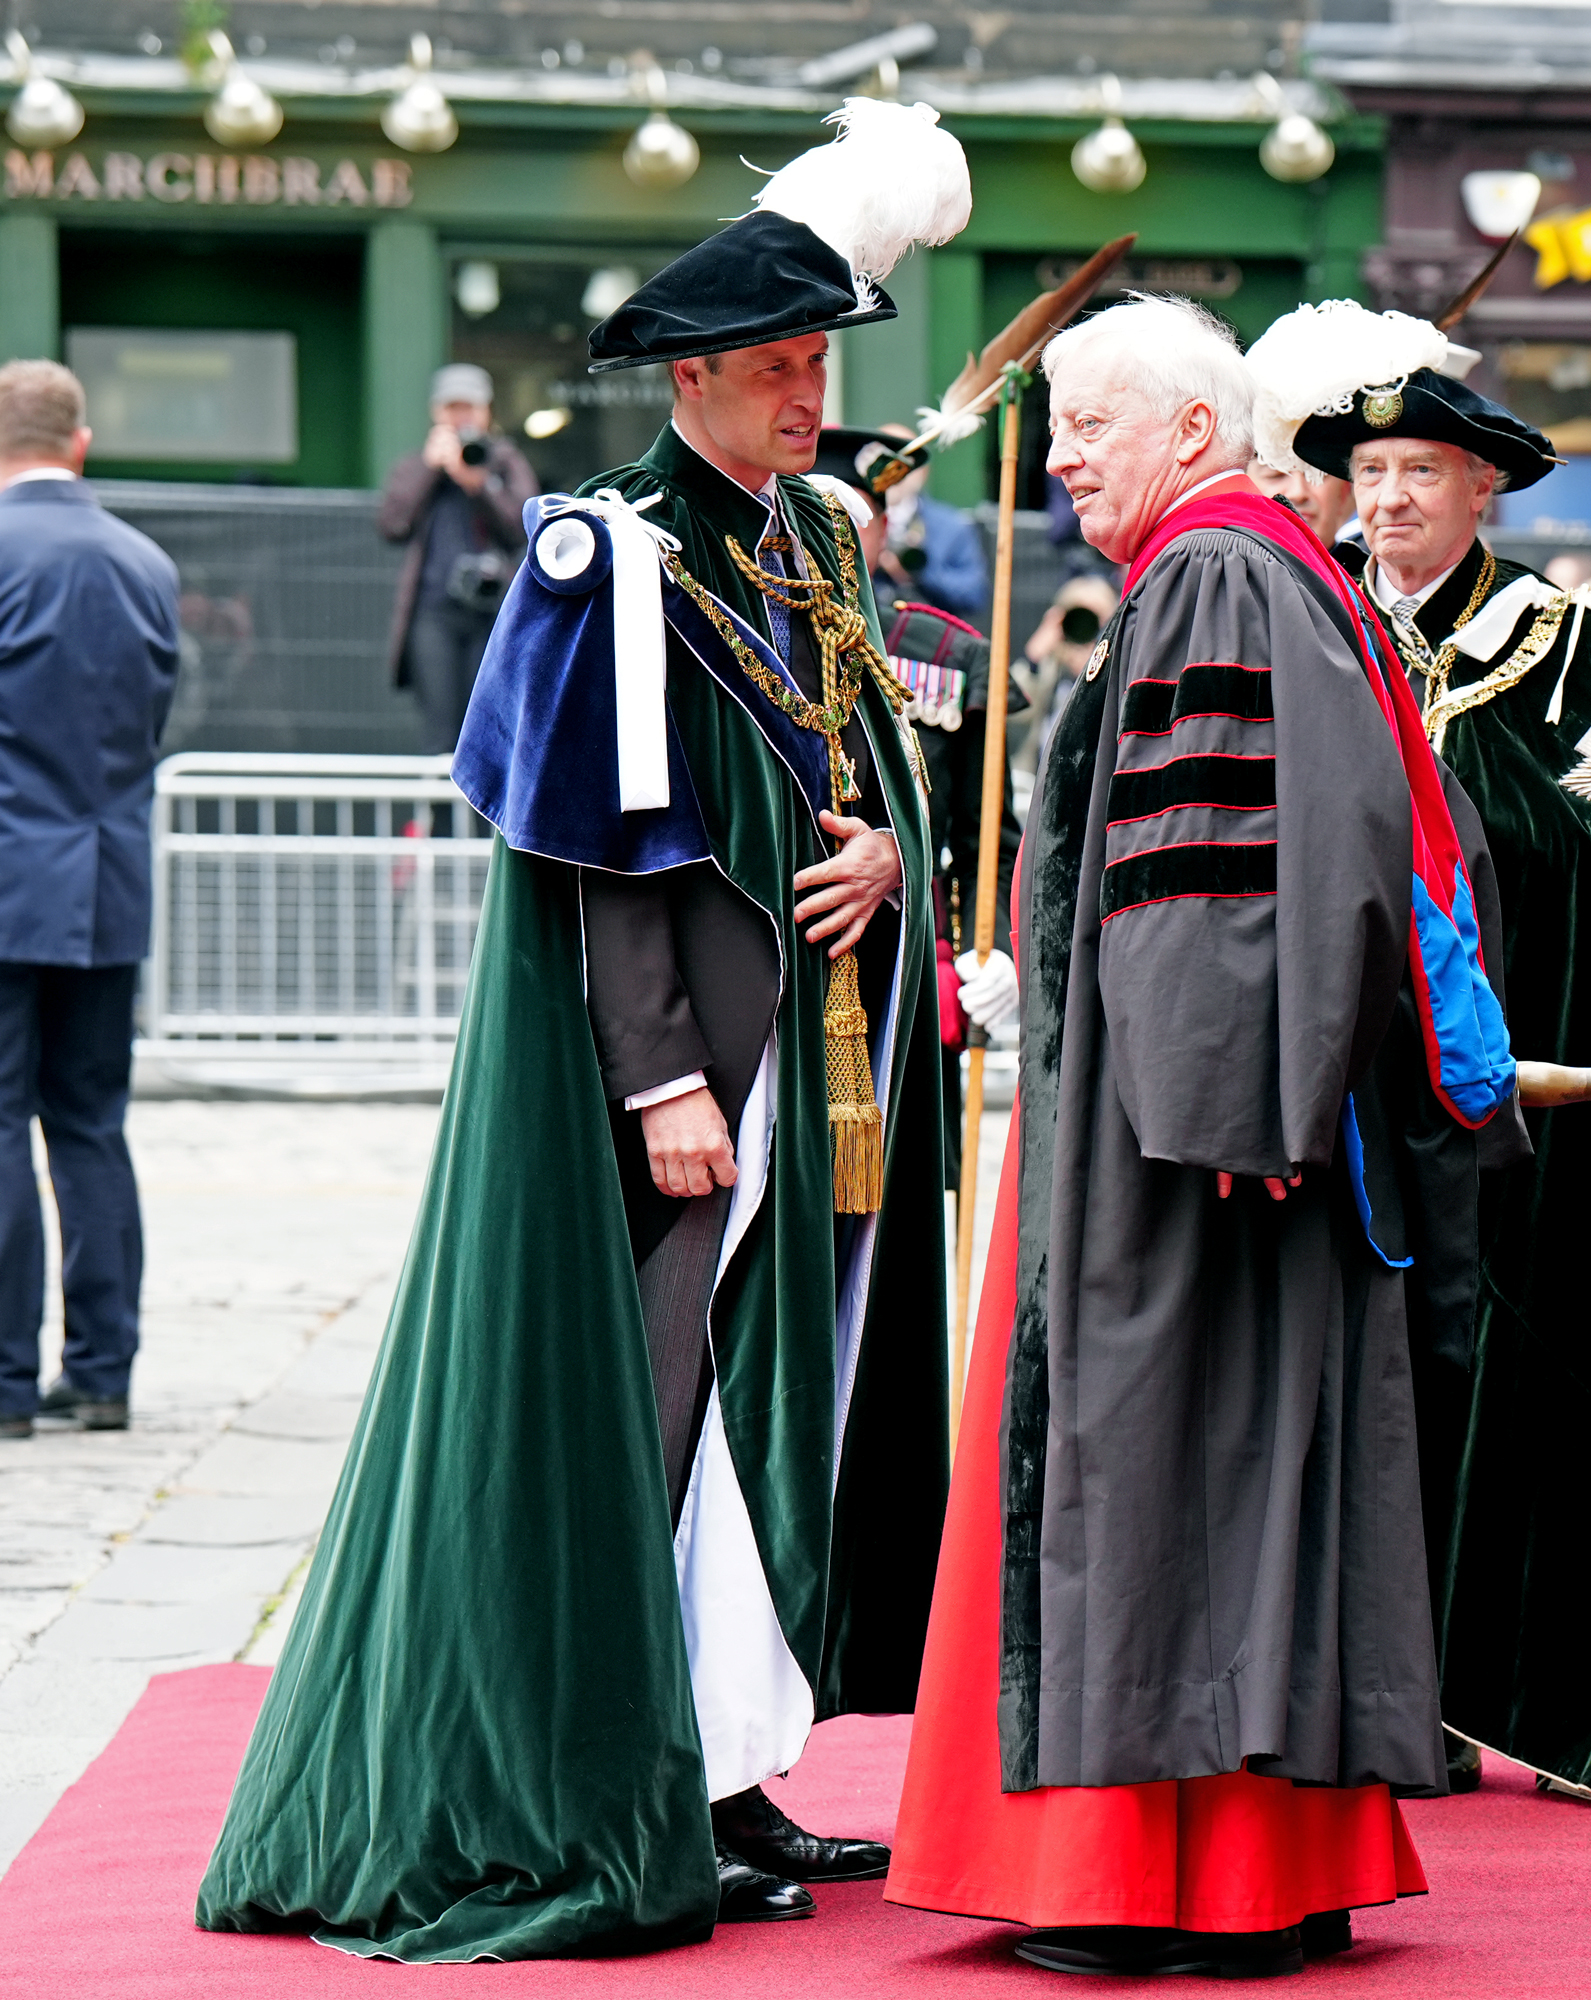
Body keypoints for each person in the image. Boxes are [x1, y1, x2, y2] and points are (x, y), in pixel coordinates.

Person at [197, 98, 971, 1961]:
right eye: (785, 366)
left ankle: (721, 1760)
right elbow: (597, 852)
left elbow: (875, 753)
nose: (811, 393)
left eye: (818, 363)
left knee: (769, 1419)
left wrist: (886, 853)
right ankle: (621, 1773)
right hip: (697, 1070)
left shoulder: (814, 540)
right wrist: (663, 1078)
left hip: (824, 1042)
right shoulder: (603, 555)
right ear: (698, 374)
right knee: (662, 1410)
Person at [886, 296, 1517, 1978]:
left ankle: (1143, 1888)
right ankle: (1261, 1880)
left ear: (1187, 429)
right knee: (1250, 1478)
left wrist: (1230, 1090)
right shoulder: (1265, 569)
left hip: (1183, 1134)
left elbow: (1254, 860)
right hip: (1225, 1109)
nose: (1060, 454)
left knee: (1165, 1474)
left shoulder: (1213, 574)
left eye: (1089, 420)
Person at [1247, 298, 1591, 1798]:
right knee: (1375, 1363)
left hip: (1530, 1067)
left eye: (1417, 476)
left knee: (1514, 1357)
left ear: (1480, 490)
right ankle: (1389, 1697)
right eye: (1367, 474)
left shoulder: (1557, 644)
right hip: (1359, 1075)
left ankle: (1524, 1688)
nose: (1384, 501)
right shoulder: (1315, 623)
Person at [0, 361, 179, 1441]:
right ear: (82, 441)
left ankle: (7, 1380)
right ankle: (102, 1369)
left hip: (8, 875)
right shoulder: (144, 561)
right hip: (109, 880)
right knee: (91, 1126)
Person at [808, 425, 1023, 1187]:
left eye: (844, 521)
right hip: (773, 989)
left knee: (908, 1222)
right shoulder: (727, 642)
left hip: (902, 980)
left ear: (879, 530)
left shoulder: (942, 655)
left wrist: (989, 947)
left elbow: (982, 835)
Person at [378, 362, 536, 753]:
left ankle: (484, 816)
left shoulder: (505, 462)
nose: (462, 416)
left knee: (491, 732)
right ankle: (441, 816)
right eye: (453, 407)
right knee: (441, 734)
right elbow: (391, 525)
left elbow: (523, 528)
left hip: (494, 615)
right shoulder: (420, 466)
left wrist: (478, 483)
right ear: (437, 412)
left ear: (486, 412)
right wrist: (432, 468)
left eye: (470, 407)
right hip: (435, 614)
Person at [871, 422, 989, 621]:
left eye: (904, 464)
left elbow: (975, 594)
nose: (893, 473)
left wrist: (919, 571)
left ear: (922, 471)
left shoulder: (950, 526)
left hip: (927, 636)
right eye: (884, 461)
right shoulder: (851, 519)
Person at [1246, 454, 1359, 547]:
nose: (1298, 493)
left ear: (1344, 490)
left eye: (1316, 474)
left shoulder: (1372, 572)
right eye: (1276, 474)